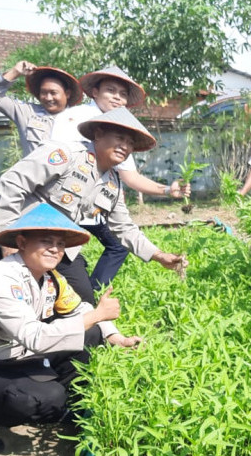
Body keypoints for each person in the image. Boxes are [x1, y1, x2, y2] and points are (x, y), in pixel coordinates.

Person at [0, 203, 140, 454]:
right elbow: (35, 338)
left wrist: (116, 336)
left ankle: (57, 403)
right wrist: (97, 314)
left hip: (14, 356)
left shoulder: (51, 279)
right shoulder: (0, 278)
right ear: (22, 242)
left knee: (91, 334)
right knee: (40, 399)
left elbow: (81, 311)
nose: (55, 249)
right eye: (46, 241)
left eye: (60, 244)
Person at [0, 107, 187, 307]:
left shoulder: (113, 183)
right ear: (98, 134)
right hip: (22, 240)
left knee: (84, 306)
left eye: (130, 143)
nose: (125, 146)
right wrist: (8, 240)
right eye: (120, 138)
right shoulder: (65, 154)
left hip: (60, 248)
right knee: (19, 303)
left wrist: (159, 256)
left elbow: (123, 227)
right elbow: (12, 183)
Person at [51, 65, 189, 289]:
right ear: (94, 91)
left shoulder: (121, 139)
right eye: (111, 91)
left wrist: (167, 190)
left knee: (79, 285)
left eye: (123, 94)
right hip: (50, 215)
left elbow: (131, 178)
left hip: (81, 215)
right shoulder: (73, 119)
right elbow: (30, 177)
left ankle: (90, 292)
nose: (117, 98)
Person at [0, 60, 82, 156]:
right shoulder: (27, 113)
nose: (48, 98)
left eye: (53, 93)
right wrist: (15, 72)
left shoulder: (80, 118)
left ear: (67, 94)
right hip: (33, 172)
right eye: (43, 93)